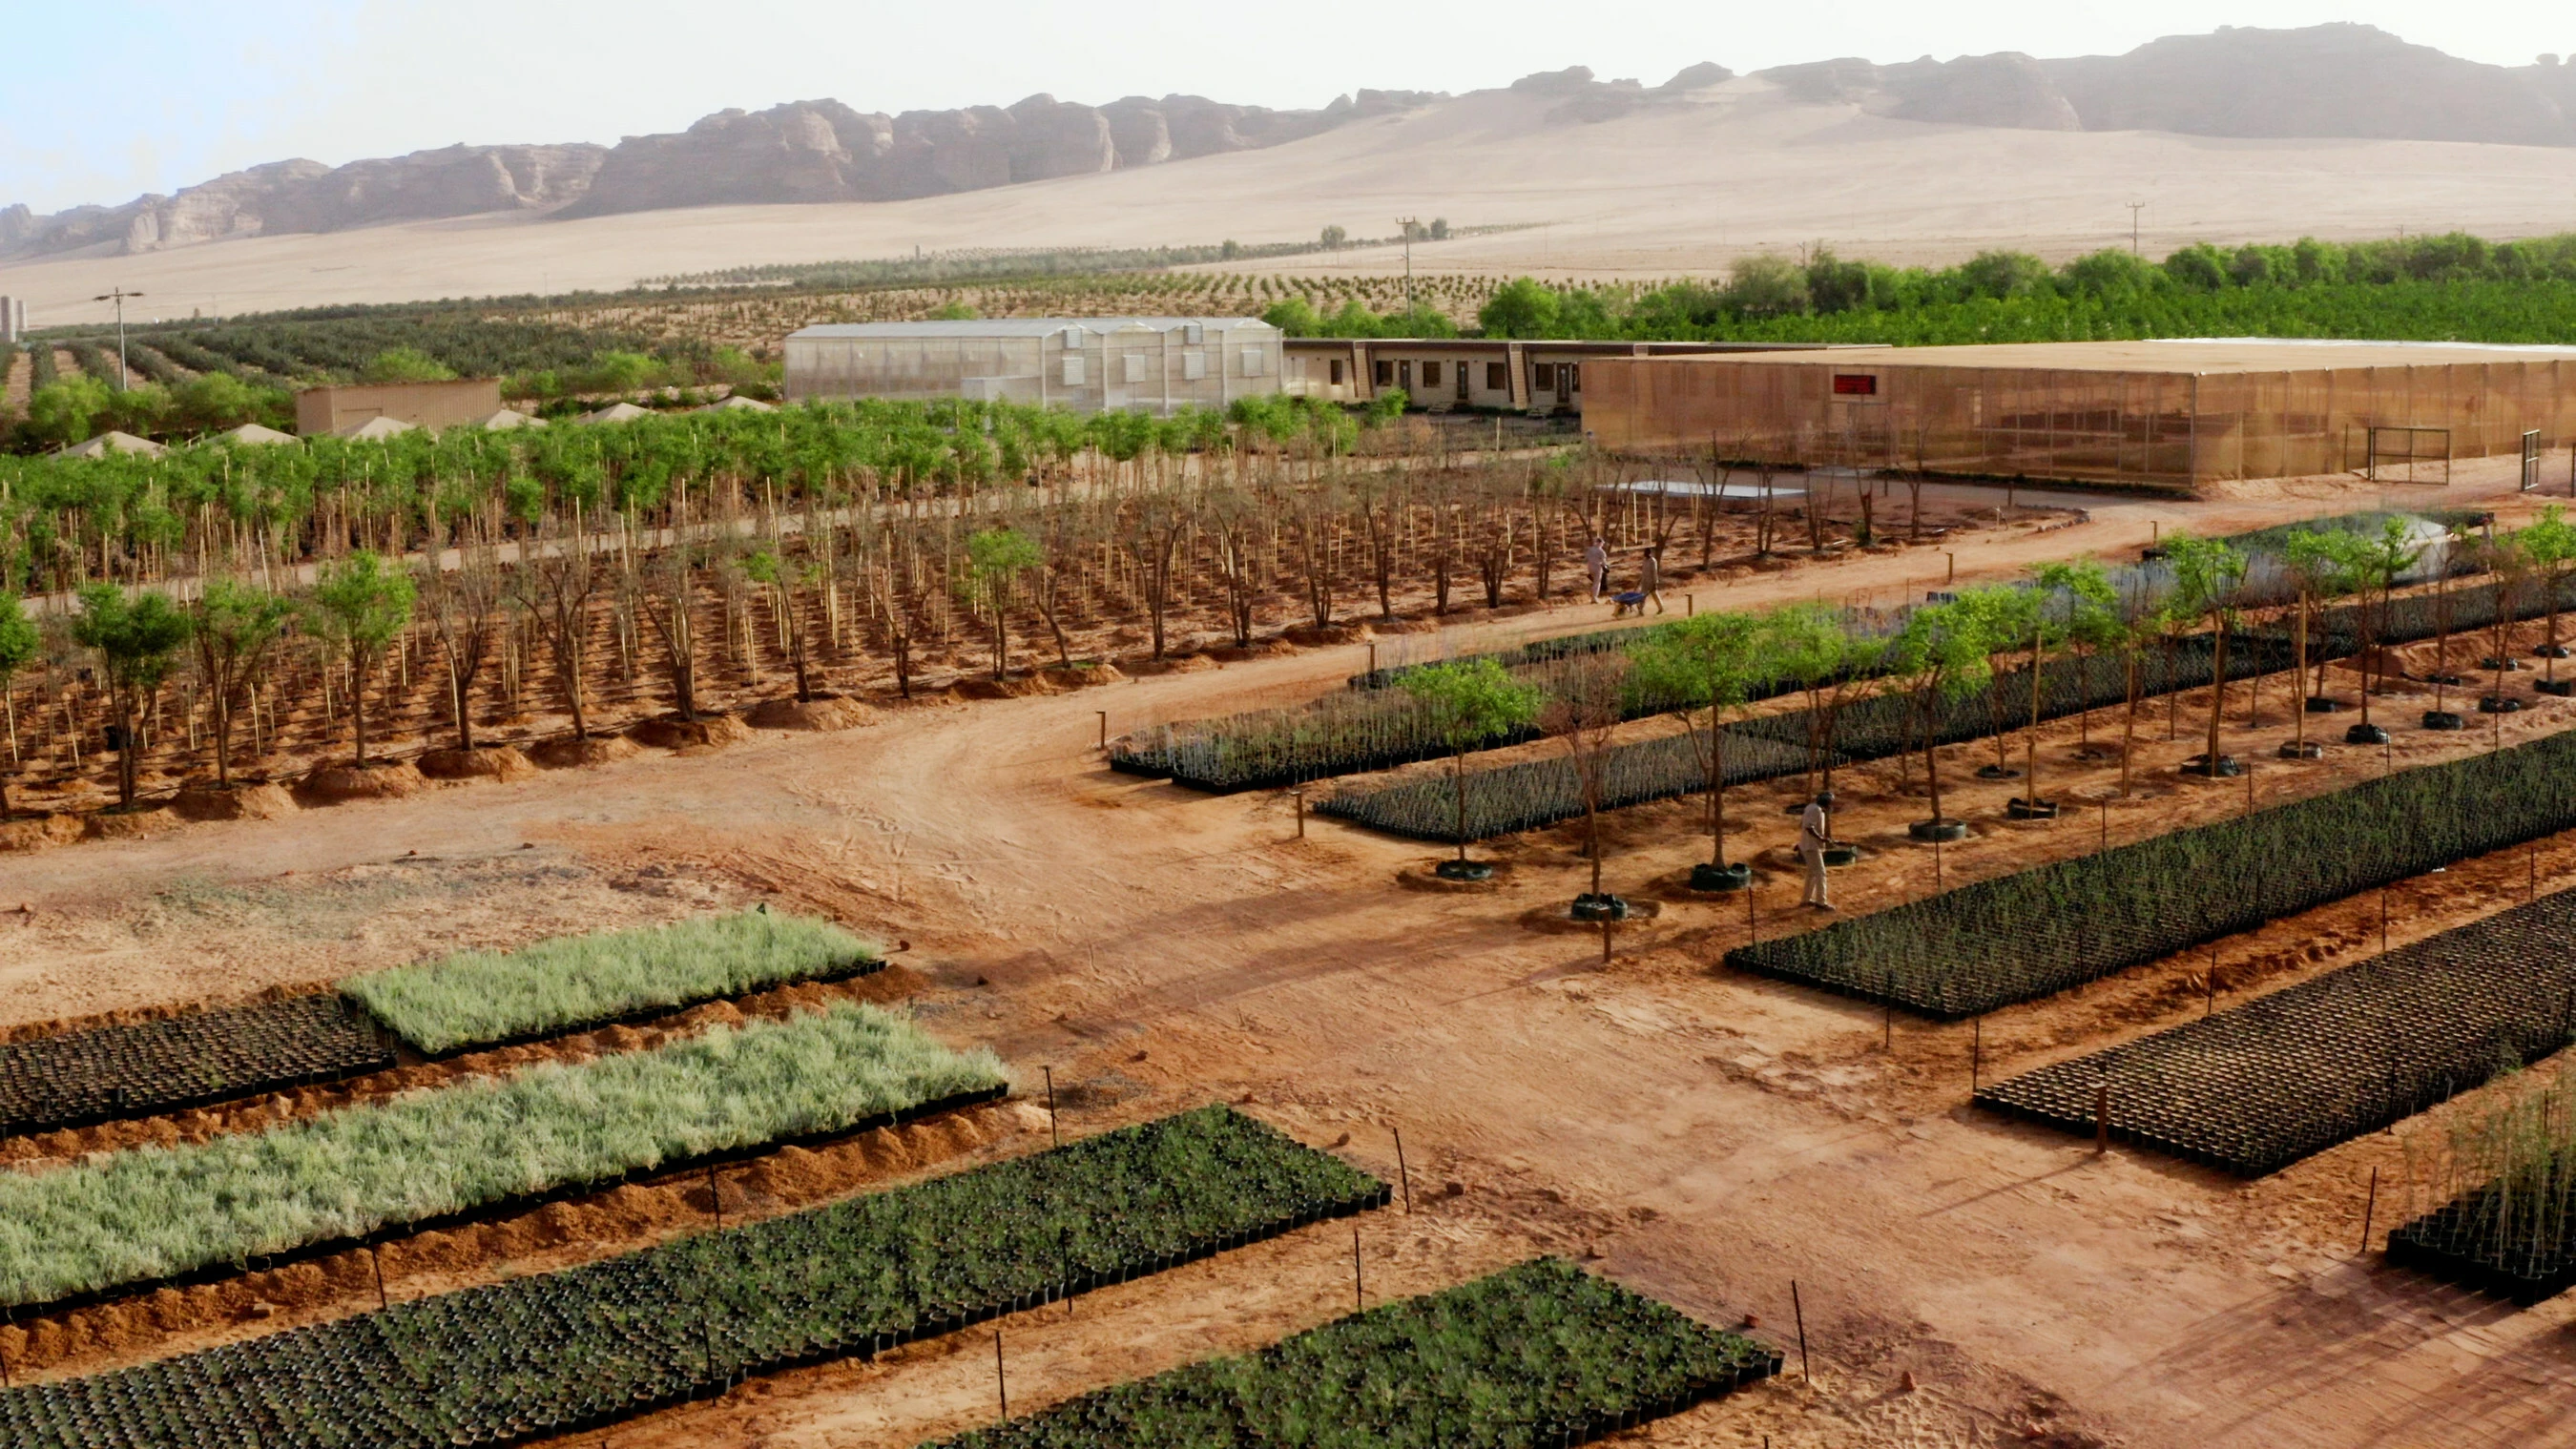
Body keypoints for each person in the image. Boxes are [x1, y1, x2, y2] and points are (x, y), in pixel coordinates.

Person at [1797, 793, 1839, 910]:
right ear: (1826, 802)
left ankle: (1806, 899)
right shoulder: (1816, 810)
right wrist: (1821, 838)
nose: (1831, 805)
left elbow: (1803, 825)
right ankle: (1821, 902)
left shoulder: (1811, 807)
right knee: (1821, 874)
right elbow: (1809, 827)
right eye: (1830, 802)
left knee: (1811, 874)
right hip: (1812, 847)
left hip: (1808, 845)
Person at [1639, 546, 1666, 614]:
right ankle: (1640, 610)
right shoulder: (1644, 561)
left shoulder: (1653, 561)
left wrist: (1655, 583)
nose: (1645, 554)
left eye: (1647, 552)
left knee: (1655, 595)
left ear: (1650, 553)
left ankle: (1661, 608)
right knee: (1642, 596)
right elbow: (1643, 571)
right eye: (1645, 552)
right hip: (1644, 581)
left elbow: (1654, 572)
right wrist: (1641, 579)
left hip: (1651, 582)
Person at [1584, 536, 1610, 601]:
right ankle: (1594, 597)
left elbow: (1586, 558)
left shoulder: (1590, 549)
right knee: (1597, 582)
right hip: (1597, 567)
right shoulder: (1601, 552)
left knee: (1594, 582)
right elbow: (1603, 562)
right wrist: (1605, 567)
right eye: (1602, 543)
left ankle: (1592, 595)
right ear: (1600, 543)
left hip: (1590, 566)